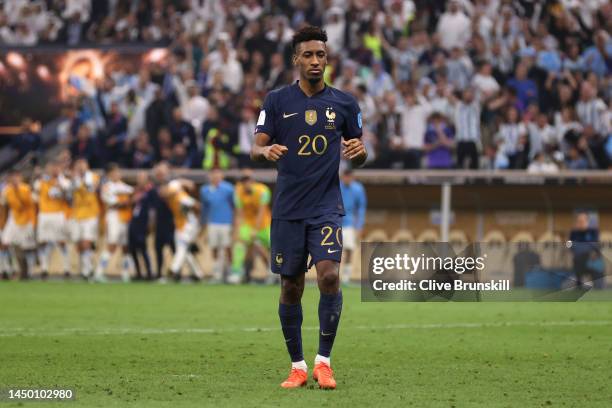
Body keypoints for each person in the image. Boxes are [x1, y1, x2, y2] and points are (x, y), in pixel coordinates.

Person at [251, 26, 367, 389]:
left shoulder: (345, 104)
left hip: (326, 208)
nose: (315, 61)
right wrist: (265, 151)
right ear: (295, 59)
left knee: (330, 276)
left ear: (327, 59)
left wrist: (360, 155)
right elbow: (257, 145)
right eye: (308, 55)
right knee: (291, 287)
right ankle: (298, 366)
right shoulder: (276, 101)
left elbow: (356, 151)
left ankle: (324, 362)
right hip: (287, 210)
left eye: (321, 55)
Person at [230, 168, 271, 284]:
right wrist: (237, 230)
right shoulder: (238, 192)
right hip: (247, 224)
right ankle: (237, 272)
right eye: (243, 180)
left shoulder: (263, 191)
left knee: (273, 247)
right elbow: (239, 212)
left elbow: (261, 212)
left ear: (252, 180)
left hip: (264, 224)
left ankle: (275, 271)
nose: (246, 183)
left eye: (248, 180)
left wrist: (255, 231)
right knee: (239, 244)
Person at [95, 163, 134, 282]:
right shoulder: (107, 187)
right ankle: (99, 272)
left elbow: (133, 193)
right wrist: (130, 201)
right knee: (112, 245)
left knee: (126, 246)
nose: (118, 174)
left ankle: (125, 273)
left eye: (118, 171)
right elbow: (114, 203)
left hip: (126, 218)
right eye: (115, 172)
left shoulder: (124, 186)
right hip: (114, 217)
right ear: (109, 174)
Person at [33, 161, 72, 279]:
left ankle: (66, 269)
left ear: (60, 169)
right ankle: (44, 269)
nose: (54, 170)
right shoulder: (40, 181)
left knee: (61, 241)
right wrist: (36, 176)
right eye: (51, 167)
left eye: (56, 167)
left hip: (58, 214)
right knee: (43, 242)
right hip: (44, 214)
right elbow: (35, 191)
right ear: (47, 169)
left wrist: (61, 188)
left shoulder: (65, 182)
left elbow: (69, 197)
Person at [161, 176, 203, 282]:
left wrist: (190, 212)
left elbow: (197, 206)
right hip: (180, 224)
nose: (167, 192)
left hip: (189, 225)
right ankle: (197, 274)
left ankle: (174, 270)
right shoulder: (173, 197)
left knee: (182, 248)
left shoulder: (181, 197)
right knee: (185, 251)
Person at [0, 169, 37, 279]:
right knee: (4, 244)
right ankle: (6, 269)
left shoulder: (26, 189)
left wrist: (34, 222)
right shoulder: (7, 191)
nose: (15, 179)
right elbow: (3, 206)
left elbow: (34, 205)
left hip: (26, 221)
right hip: (13, 220)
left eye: (17, 177)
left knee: (26, 248)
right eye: (12, 177)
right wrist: (2, 222)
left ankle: (27, 271)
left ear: (20, 178)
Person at [200, 168, 234, 282]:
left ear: (221, 176)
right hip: (212, 222)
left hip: (226, 222)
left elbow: (234, 206)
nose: (215, 177)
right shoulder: (204, 190)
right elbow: (204, 208)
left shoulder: (229, 189)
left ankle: (230, 273)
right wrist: (203, 224)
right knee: (214, 247)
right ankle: (217, 273)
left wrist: (234, 222)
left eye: (217, 175)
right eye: (213, 175)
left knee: (227, 247)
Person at [69, 159, 101, 279]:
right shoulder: (73, 179)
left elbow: (91, 188)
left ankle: (87, 271)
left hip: (91, 213)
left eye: (83, 164)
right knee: (79, 244)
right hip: (77, 214)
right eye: (79, 164)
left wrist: (80, 179)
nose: (81, 167)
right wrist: (74, 179)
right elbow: (70, 192)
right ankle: (86, 267)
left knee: (86, 242)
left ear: (87, 166)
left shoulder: (93, 177)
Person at [339, 169, 366, 284]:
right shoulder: (336, 186)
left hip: (349, 223)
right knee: (333, 251)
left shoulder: (358, 189)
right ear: (342, 177)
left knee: (349, 249)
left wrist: (359, 226)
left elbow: (361, 208)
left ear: (352, 177)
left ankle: (346, 276)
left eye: (349, 177)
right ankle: (334, 275)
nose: (347, 179)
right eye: (345, 177)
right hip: (334, 221)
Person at [129, 171, 154, 281]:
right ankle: (138, 272)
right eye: (138, 177)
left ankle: (149, 272)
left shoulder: (150, 191)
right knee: (132, 248)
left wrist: (150, 224)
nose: (139, 180)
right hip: (134, 221)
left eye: (142, 177)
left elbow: (152, 209)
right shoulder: (136, 191)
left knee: (143, 248)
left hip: (143, 223)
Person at [569, 212, 602, 289]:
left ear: (587, 221)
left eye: (583, 221)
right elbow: (570, 245)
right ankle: (579, 285)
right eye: (579, 221)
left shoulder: (593, 232)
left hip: (592, 260)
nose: (581, 223)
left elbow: (596, 246)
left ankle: (597, 286)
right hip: (578, 260)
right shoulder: (574, 233)